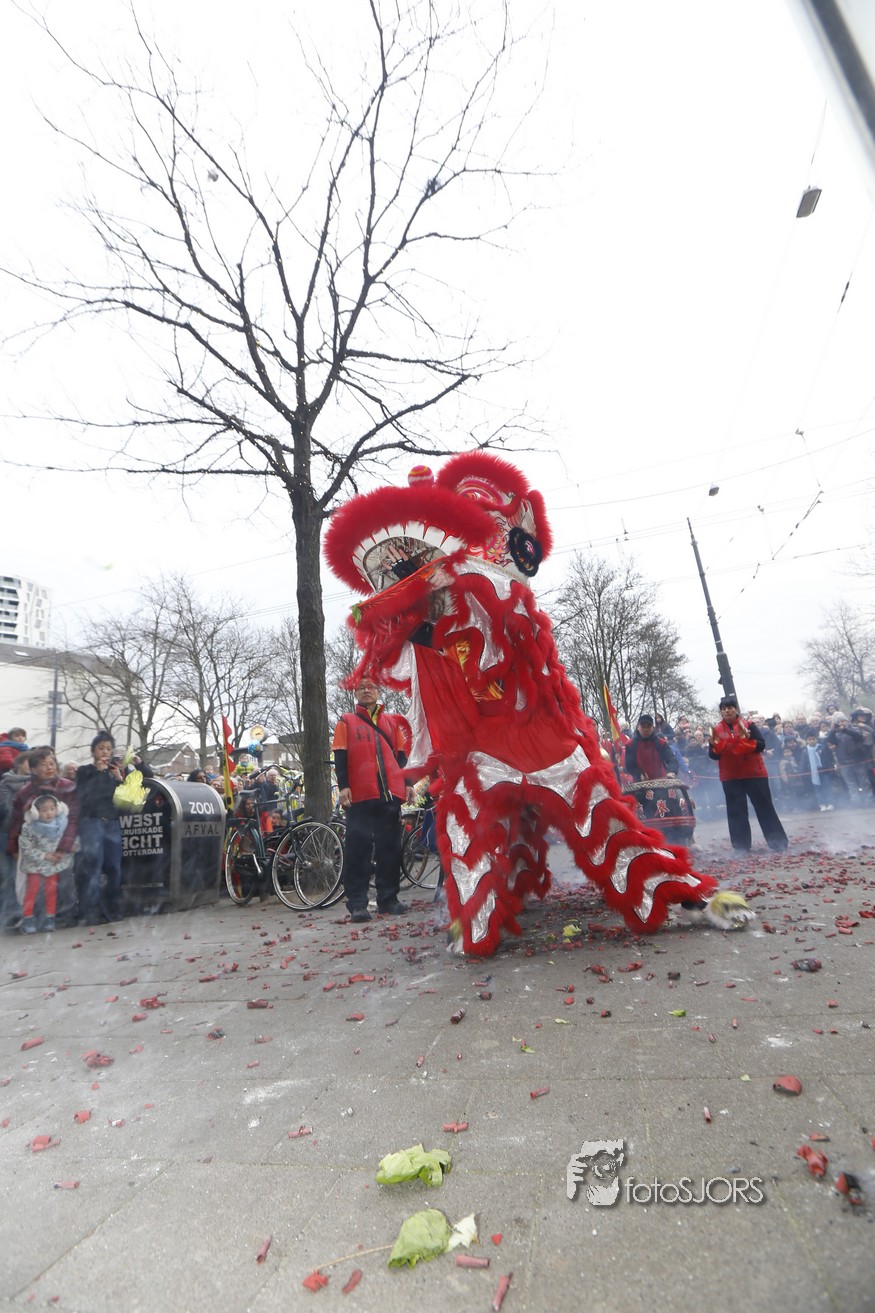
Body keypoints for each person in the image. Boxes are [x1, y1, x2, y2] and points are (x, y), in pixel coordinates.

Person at [332, 676, 414, 922]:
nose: (366, 691)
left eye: (371, 687)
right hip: (360, 796)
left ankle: (388, 899)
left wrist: (408, 784)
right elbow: (340, 755)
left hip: (389, 795)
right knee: (358, 850)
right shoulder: (346, 721)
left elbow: (402, 757)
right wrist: (344, 786)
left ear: (378, 692)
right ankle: (357, 903)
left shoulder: (392, 723)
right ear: (355, 693)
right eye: (361, 688)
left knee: (390, 849)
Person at [7, 747, 80, 928]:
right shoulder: (25, 792)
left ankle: (68, 915)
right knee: (37, 884)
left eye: (52, 763)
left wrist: (64, 847)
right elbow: (17, 822)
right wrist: (14, 848)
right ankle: (40, 918)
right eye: (43, 764)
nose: (49, 767)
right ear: (33, 769)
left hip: (63, 843)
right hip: (37, 846)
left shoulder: (67, 787)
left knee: (65, 879)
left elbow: (74, 819)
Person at [709, 696, 788, 852]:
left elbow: (761, 745)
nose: (727, 711)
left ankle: (778, 842)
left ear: (736, 709)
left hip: (754, 773)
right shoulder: (716, 730)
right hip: (731, 777)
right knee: (736, 811)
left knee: (764, 807)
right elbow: (712, 755)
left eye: (729, 708)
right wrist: (717, 747)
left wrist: (746, 744)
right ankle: (741, 846)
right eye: (723, 709)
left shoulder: (749, 725)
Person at [76, 732, 125, 925]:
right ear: (93, 751)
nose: (105, 752)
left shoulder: (113, 774)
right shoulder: (85, 771)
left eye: (108, 749)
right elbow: (85, 795)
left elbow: (124, 802)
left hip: (111, 823)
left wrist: (119, 780)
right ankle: (92, 911)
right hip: (91, 822)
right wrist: (99, 771)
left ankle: (112, 908)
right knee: (94, 867)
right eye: (101, 748)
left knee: (114, 867)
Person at [17, 794, 74, 934]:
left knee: (51, 892)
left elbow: (71, 841)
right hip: (35, 866)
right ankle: (28, 919)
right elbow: (26, 848)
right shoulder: (29, 828)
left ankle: (50, 919)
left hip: (53, 865)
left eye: (52, 809)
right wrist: (44, 856)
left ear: (58, 809)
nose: (49, 813)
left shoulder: (62, 824)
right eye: (44, 810)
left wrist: (64, 851)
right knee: (32, 892)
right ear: (36, 812)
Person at [0, 751, 31, 929]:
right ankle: (11, 914)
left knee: (28, 877)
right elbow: (6, 808)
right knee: (10, 876)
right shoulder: (6, 783)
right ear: (19, 764)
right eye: (28, 761)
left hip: (29, 836)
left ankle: (28, 913)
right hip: (7, 834)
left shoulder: (36, 783)